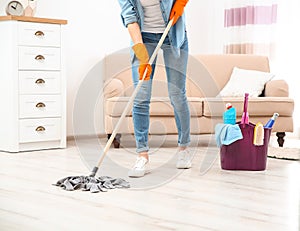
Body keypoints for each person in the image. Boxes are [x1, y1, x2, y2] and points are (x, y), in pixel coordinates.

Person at [118, 0, 191, 177]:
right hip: (143, 38)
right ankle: (142, 155)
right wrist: (142, 56)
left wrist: (181, 3)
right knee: (141, 96)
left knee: (176, 94)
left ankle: (183, 149)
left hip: (173, 33)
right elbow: (130, 17)